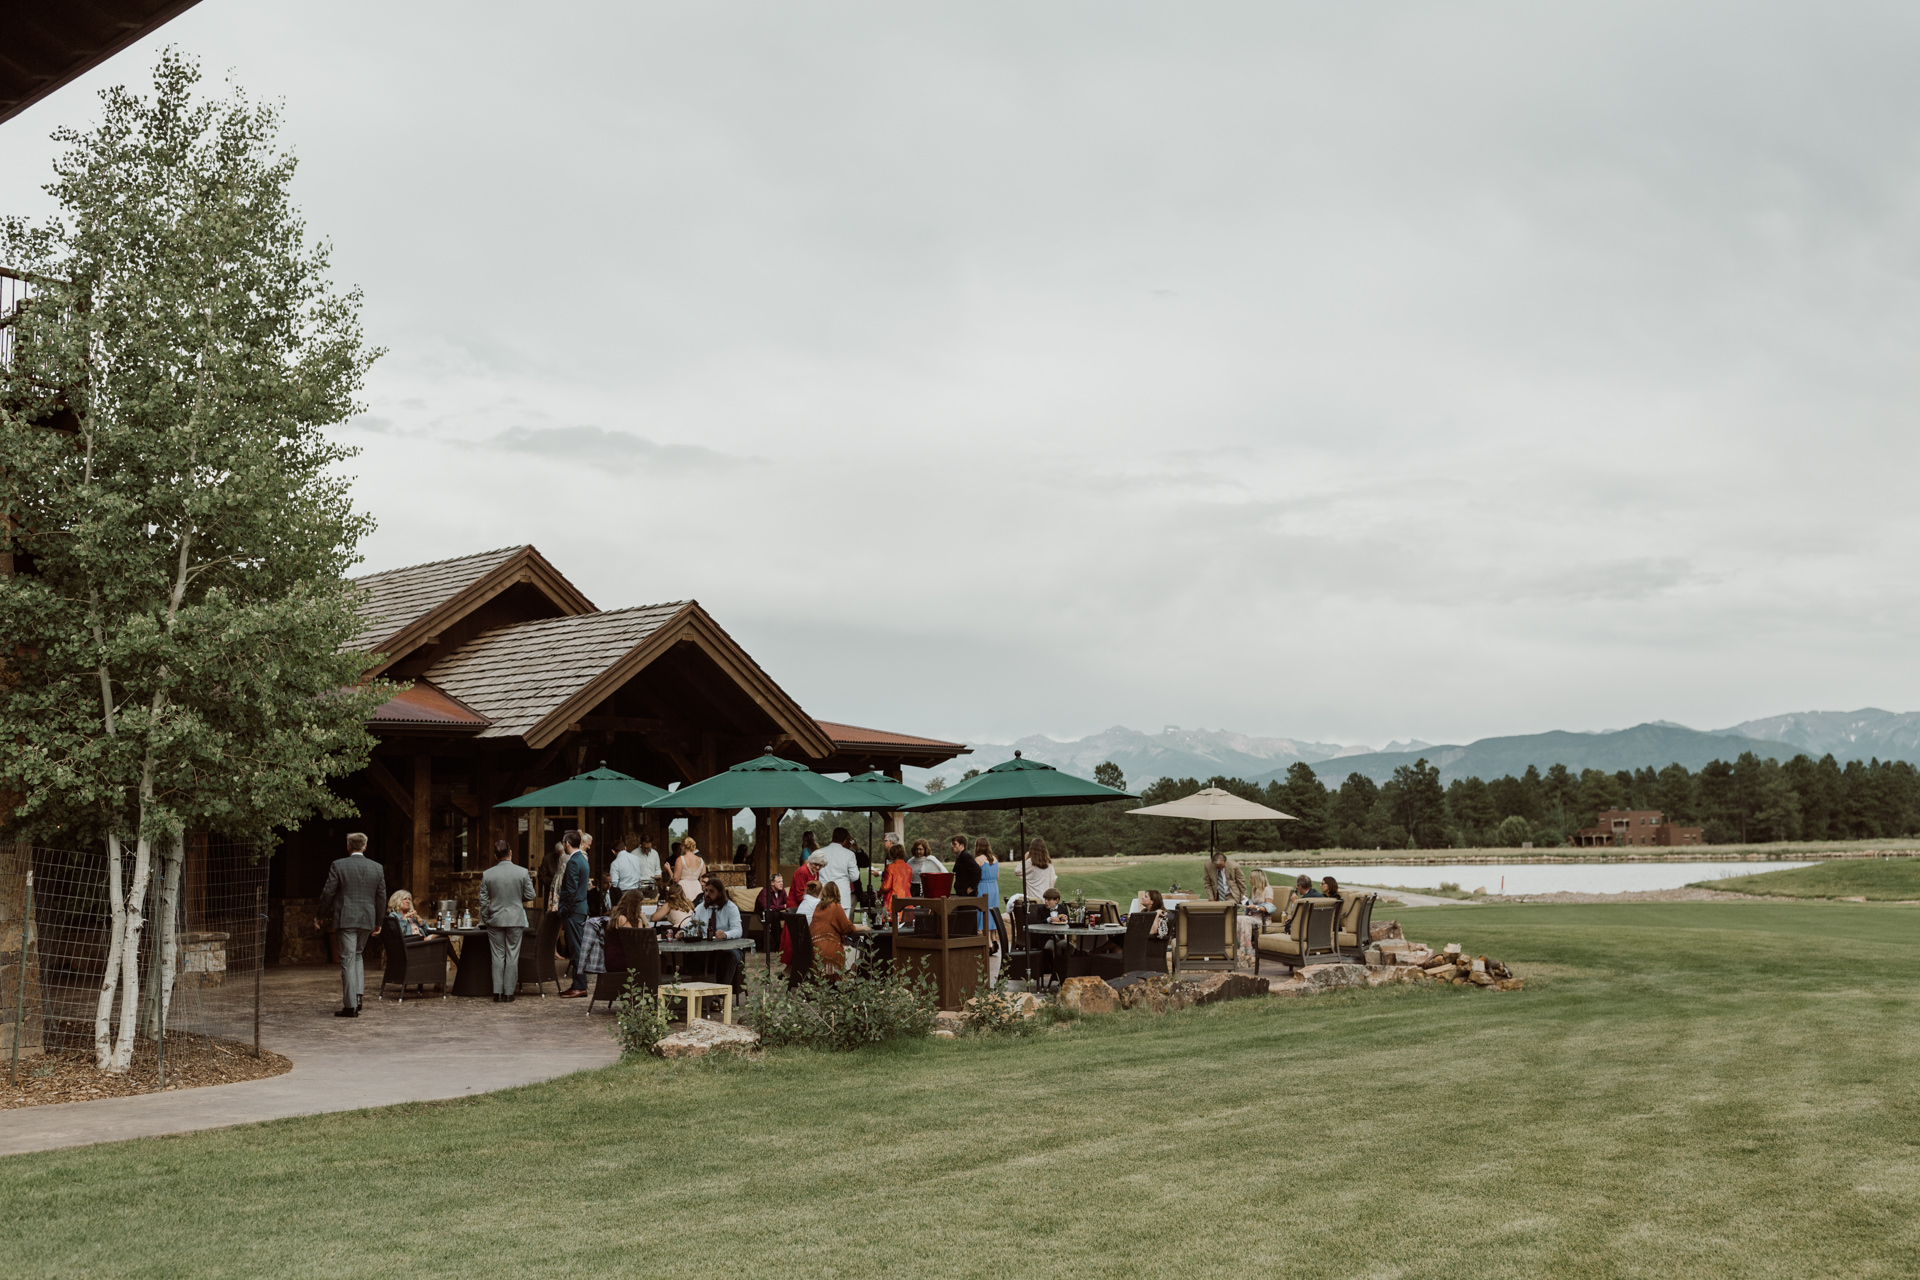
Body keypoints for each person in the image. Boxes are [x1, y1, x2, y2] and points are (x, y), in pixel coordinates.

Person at [315, 833, 386, 1017]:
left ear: (348, 847)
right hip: (367, 919)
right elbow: (381, 897)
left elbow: (328, 892)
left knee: (347, 960)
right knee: (358, 955)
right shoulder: (377, 868)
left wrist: (320, 915)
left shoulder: (339, 865)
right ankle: (358, 996)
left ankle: (350, 1006)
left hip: (346, 918)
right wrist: (378, 921)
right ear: (365, 847)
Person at [479, 839, 535, 1002]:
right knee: (512, 955)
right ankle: (509, 993)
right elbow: (531, 895)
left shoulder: (487, 874)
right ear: (511, 853)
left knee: (497, 956)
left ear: (495, 856)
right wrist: (518, 898)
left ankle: (497, 992)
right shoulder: (522, 872)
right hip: (515, 918)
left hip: (495, 919)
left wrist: (486, 917)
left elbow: (483, 900)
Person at [556, 830, 592, 998]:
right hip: (581, 908)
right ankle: (579, 984)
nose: (563, 845)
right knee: (578, 947)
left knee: (576, 948)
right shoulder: (583, 860)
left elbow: (570, 890)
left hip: (574, 910)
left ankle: (579, 985)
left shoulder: (573, 862)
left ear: (568, 844)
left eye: (564, 842)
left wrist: (564, 910)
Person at [694, 878, 746, 994]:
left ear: (720, 893)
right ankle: (701, 996)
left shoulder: (730, 908)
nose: (707, 894)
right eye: (706, 891)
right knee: (692, 956)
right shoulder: (700, 908)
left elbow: (738, 930)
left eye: (711, 891)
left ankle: (721, 996)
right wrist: (683, 932)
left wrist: (726, 934)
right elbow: (691, 926)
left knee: (728, 957)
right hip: (706, 949)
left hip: (729, 948)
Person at [808, 882, 866, 975]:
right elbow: (847, 928)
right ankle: (848, 979)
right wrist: (864, 928)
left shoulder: (819, 907)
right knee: (860, 948)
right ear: (837, 893)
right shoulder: (835, 906)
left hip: (814, 948)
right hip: (829, 950)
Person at [818, 827, 860, 921]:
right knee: (842, 927)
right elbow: (855, 876)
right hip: (843, 896)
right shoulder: (849, 854)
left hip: (824, 895)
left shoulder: (819, 852)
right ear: (845, 841)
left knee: (826, 925)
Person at [879, 844, 912, 918]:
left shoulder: (890, 867)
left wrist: (881, 889)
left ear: (891, 855)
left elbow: (886, 886)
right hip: (907, 898)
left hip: (892, 899)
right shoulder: (909, 867)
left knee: (890, 922)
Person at [673, 836, 707, 905]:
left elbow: (676, 879)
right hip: (697, 887)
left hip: (683, 887)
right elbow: (703, 879)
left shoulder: (680, 859)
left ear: (683, 846)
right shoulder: (701, 860)